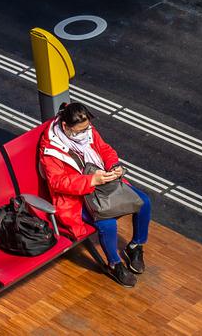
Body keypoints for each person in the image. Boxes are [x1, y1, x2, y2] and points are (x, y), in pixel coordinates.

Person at [39, 102, 152, 287]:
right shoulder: (50, 149)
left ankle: (135, 246)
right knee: (107, 223)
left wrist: (113, 166)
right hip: (76, 197)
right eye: (80, 131)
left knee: (144, 203)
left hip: (102, 183)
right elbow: (57, 182)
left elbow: (104, 149)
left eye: (87, 128)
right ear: (66, 127)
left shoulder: (86, 129)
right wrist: (91, 181)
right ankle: (114, 264)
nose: (85, 134)